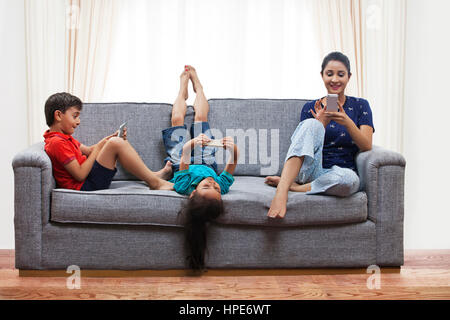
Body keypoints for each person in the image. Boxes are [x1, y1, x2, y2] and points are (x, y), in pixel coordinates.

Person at [265, 51, 375, 219]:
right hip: (312, 169)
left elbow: (366, 145)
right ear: (322, 76)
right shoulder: (310, 107)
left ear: (349, 76)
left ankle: (293, 187)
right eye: (329, 74)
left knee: (351, 180)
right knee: (310, 124)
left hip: (339, 174)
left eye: (341, 74)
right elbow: (303, 145)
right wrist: (320, 124)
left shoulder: (361, 105)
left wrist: (347, 121)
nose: (335, 79)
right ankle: (281, 191)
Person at [163, 65, 239, 270]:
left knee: (177, 120)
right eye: (216, 189)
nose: (213, 183)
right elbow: (230, 168)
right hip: (206, 160)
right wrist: (233, 149)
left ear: (192, 194)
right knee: (200, 119)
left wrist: (192, 143)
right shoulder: (220, 187)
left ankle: (182, 89)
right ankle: (199, 87)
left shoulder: (183, 185)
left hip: (182, 157)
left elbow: (184, 160)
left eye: (207, 187)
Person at [43, 92, 173, 192]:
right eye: (75, 116)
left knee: (114, 142)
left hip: (90, 179)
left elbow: (88, 151)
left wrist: (107, 140)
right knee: (115, 143)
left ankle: (153, 176)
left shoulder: (63, 138)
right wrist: (104, 146)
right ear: (59, 115)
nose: (78, 121)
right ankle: (155, 183)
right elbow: (80, 175)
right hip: (85, 186)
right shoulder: (57, 143)